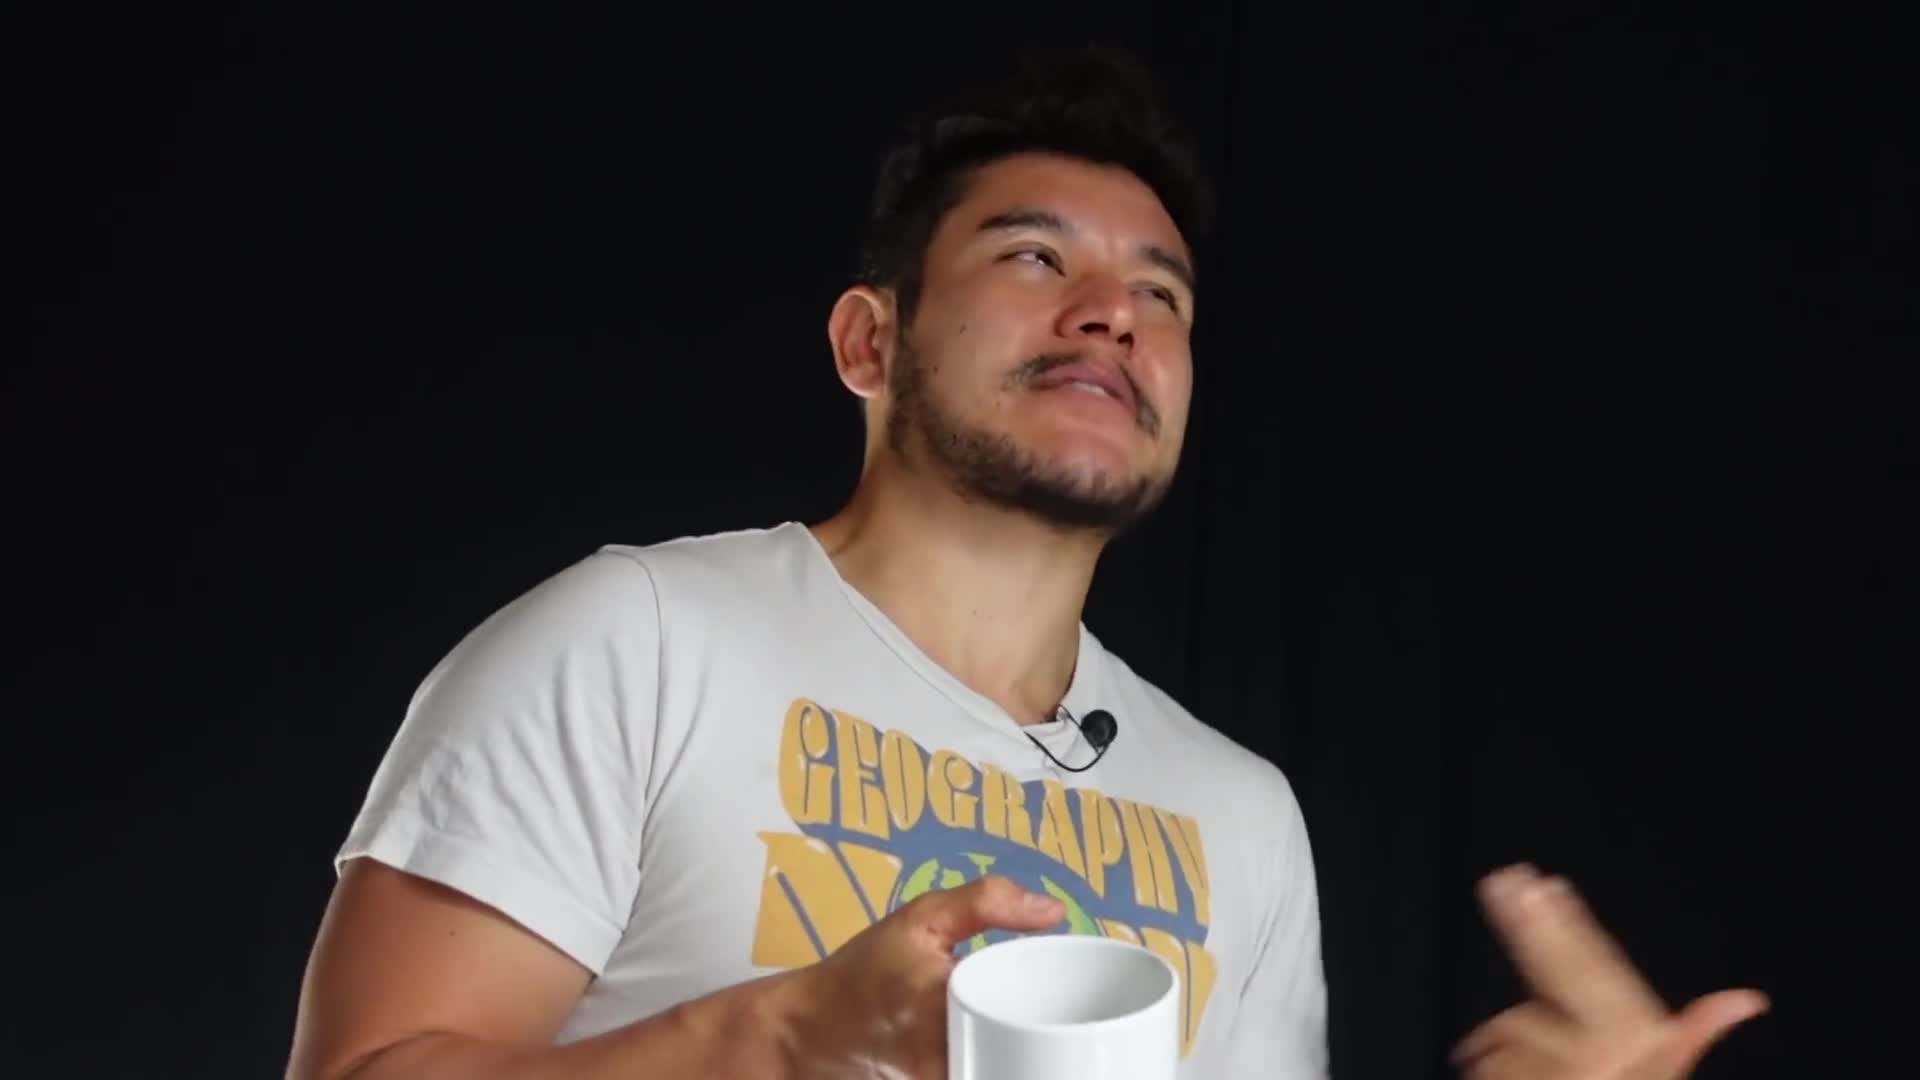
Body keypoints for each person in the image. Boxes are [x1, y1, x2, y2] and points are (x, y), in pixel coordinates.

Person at [286, 45, 1768, 1080]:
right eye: (1037, 259)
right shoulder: (638, 642)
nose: (1114, 314)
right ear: (871, 342)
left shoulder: (1238, 816)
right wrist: (776, 1045)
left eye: (1161, 292)